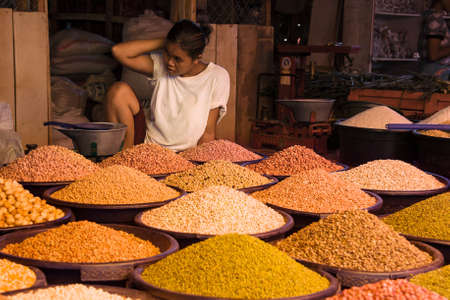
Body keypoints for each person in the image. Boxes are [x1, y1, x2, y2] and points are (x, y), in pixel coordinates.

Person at [106, 19, 230, 151]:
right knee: (117, 92)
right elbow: (118, 51)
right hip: (148, 148)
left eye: (177, 58)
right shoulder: (161, 66)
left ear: (197, 58)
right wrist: (166, 42)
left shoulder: (217, 76)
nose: (170, 62)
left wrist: (198, 163)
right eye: (167, 53)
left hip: (185, 155)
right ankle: (124, 157)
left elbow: (208, 132)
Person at [419, 0, 450, 79]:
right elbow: (433, 55)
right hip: (436, 73)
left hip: (430, 72)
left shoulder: (430, 16)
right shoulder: (435, 19)